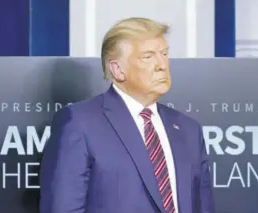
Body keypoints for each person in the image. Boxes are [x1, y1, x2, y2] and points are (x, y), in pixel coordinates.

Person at [39, 17, 214, 213]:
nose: (162, 65)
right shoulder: (79, 123)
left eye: (164, 54)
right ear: (118, 69)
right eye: (148, 57)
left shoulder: (189, 129)